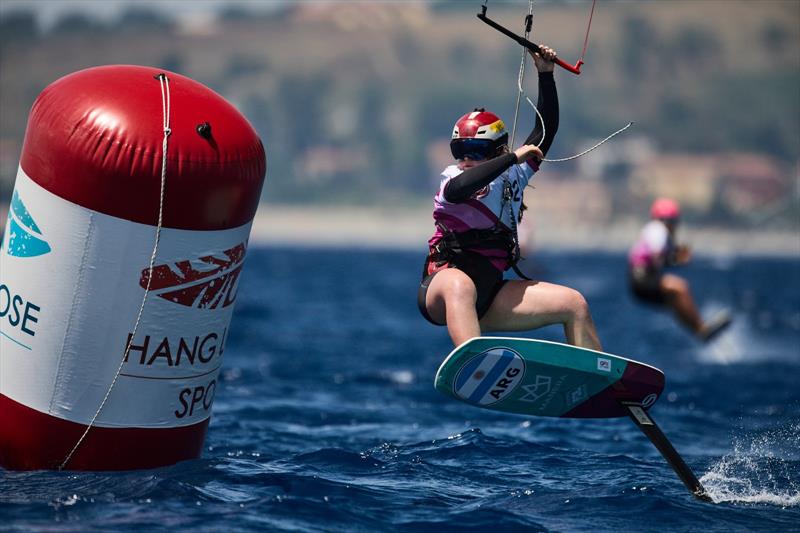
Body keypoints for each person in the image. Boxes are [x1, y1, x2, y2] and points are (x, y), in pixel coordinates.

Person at [417, 45, 602, 351]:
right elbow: (460, 190)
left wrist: (545, 74)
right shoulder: (453, 178)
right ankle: (475, 364)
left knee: (574, 303)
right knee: (460, 285)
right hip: (441, 289)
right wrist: (513, 158)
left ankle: (599, 384)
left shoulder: (515, 174)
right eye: (459, 151)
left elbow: (545, 132)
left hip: (491, 296)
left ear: (498, 150)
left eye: (475, 152)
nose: (466, 159)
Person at [628, 198, 731, 341]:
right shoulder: (658, 230)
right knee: (680, 288)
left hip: (640, 281)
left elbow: (660, 258)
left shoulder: (657, 232)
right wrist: (676, 259)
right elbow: (657, 259)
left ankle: (700, 332)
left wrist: (676, 258)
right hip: (642, 279)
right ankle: (701, 329)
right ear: (670, 221)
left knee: (675, 301)